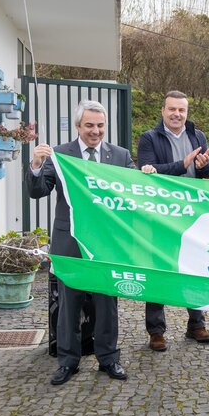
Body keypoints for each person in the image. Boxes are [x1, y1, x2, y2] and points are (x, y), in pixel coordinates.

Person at [28, 100, 132, 384]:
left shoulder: (120, 156)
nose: (95, 131)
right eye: (89, 125)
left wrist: (146, 176)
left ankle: (108, 358)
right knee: (69, 304)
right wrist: (36, 165)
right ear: (77, 126)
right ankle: (68, 361)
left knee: (107, 303)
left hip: (106, 243)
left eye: (100, 125)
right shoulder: (60, 154)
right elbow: (38, 191)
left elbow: (133, 193)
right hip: (69, 241)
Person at [137, 91, 209, 350]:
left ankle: (196, 324)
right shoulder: (149, 138)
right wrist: (182, 165)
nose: (177, 114)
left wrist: (203, 166)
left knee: (193, 267)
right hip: (161, 215)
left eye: (181, 110)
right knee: (159, 269)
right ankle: (156, 331)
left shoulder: (198, 136)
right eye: (172, 109)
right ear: (163, 110)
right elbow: (147, 171)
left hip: (192, 215)